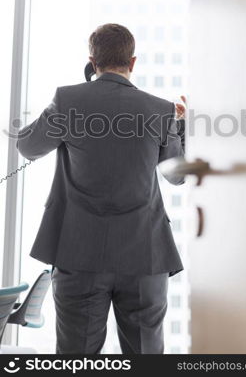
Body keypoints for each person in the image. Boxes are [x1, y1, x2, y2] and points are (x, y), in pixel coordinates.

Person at [16, 23, 186, 354]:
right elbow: (177, 176)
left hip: (79, 255)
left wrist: (78, 95)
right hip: (145, 256)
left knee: (77, 359)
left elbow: (28, 147)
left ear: (92, 61)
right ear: (132, 62)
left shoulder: (68, 99)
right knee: (147, 358)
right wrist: (179, 128)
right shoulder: (160, 110)